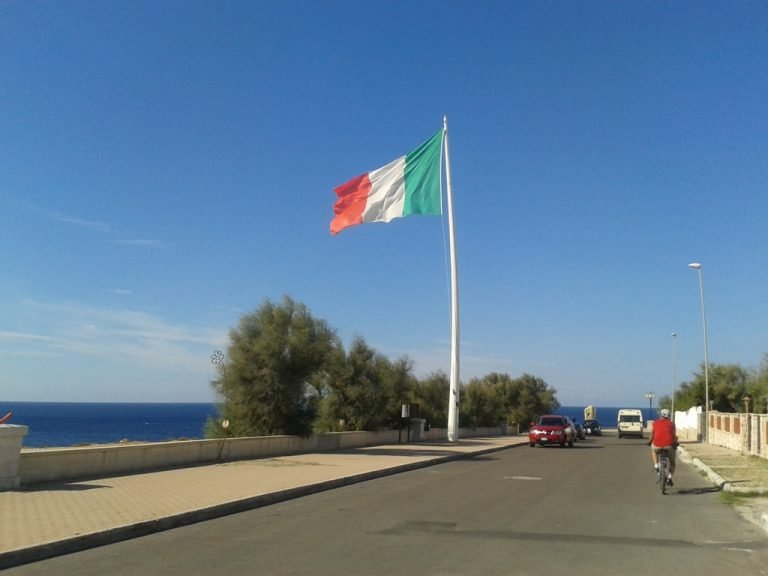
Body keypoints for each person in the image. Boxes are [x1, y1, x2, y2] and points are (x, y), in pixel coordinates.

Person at [648, 408, 678, 485]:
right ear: (668, 416)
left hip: (657, 445)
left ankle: (655, 465)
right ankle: (670, 478)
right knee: (672, 463)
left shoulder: (655, 423)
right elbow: (674, 436)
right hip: (669, 446)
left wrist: (648, 442)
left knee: (653, 450)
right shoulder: (672, 424)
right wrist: (675, 443)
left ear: (660, 415)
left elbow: (651, 436)